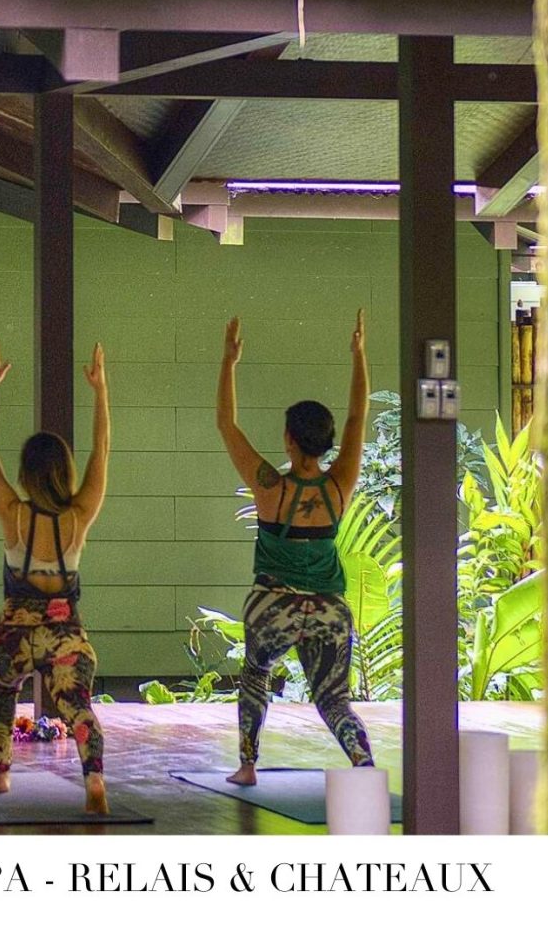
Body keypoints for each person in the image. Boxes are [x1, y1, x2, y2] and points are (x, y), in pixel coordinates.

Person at [216, 311, 376, 786]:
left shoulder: (272, 489)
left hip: (273, 606)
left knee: (256, 674)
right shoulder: (340, 484)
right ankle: (364, 767)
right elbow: (357, 416)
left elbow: (227, 424)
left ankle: (247, 765)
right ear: (326, 443)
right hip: (330, 611)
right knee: (334, 700)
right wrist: (359, 357)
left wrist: (229, 362)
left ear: (289, 440)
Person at [0, 338, 113, 815]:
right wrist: (100, 391)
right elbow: (102, 450)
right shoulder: (78, 517)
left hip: (14, 635)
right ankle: (93, 777)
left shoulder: (14, 514)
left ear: (26, 475)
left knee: (2, 690)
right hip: (64, 637)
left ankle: (1, 775)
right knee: (77, 705)